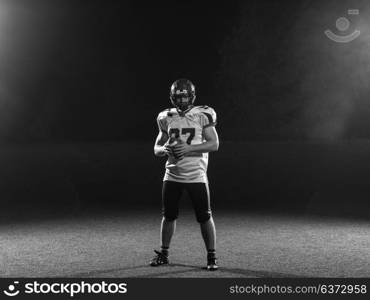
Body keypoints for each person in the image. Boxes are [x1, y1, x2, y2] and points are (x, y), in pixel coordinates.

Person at [151, 78, 219, 271]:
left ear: (192, 96)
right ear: (173, 98)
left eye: (185, 97)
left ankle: (211, 256)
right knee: (168, 216)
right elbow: (156, 148)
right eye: (178, 97)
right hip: (172, 175)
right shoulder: (165, 117)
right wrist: (164, 149)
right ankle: (164, 254)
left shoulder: (203, 114)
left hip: (196, 175)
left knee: (205, 216)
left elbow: (214, 144)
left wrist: (188, 148)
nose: (182, 101)